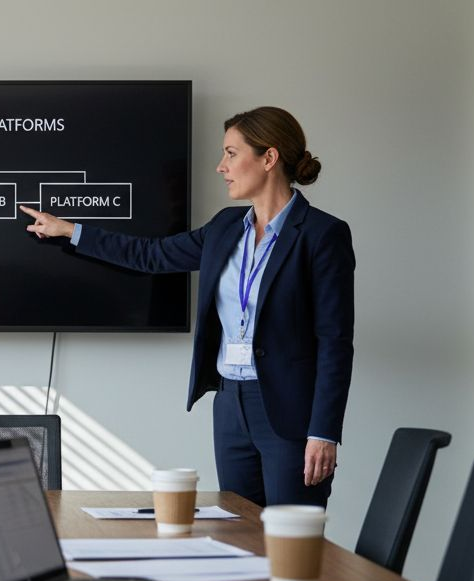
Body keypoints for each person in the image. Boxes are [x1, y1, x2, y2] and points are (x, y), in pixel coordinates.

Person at [20, 106, 354, 508]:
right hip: (231, 407)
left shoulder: (322, 235)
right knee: (239, 538)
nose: (221, 166)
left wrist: (324, 432)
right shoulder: (225, 228)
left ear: (269, 158)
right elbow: (152, 255)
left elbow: (335, 341)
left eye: (231, 153)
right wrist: (70, 230)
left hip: (289, 416)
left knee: (290, 543)